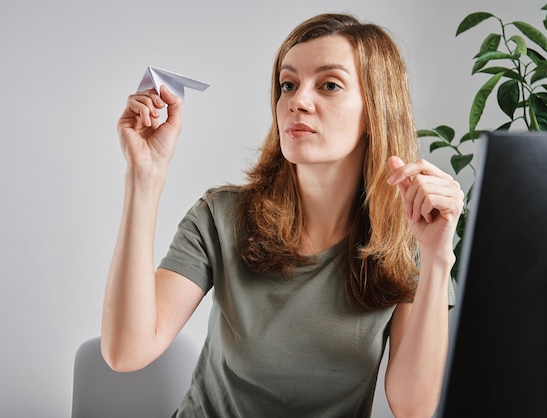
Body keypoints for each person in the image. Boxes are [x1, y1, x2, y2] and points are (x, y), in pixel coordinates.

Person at [101, 12, 463, 418]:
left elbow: (415, 407)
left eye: (329, 85)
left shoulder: (410, 240)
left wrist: (436, 258)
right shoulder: (221, 217)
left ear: (375, 111)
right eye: (288, 84)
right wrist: (144, 176)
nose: (297, 101)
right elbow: (125, 352)